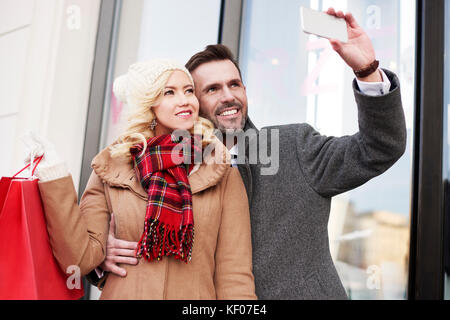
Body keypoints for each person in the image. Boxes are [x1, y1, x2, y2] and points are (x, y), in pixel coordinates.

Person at [89, 9, 406, 299]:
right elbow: (113, 247)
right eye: (212, 89)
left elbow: (379, 147)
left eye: (235, 84)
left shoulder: (294, 146)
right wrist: (101, 256)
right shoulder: (161, 172)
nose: (228, 96)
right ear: (191, 105)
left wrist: (367, 70)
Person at [27, 59, 256, 299]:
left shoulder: (221, 171)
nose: (185, 100)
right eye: (169, 92)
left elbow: (235, 276)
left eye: (189, 90)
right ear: (149, 104)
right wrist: (54, 175)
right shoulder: (111, 168)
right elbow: (79, 258)